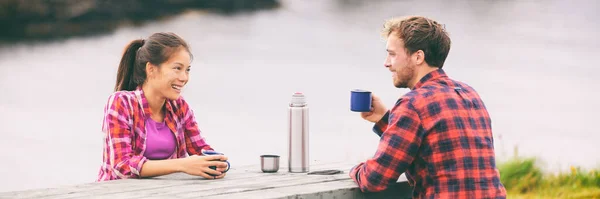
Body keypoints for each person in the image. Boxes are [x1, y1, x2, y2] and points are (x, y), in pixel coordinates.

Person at [349, 16, 507, 198]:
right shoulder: (469, 94)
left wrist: (354, 170)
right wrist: (385, 118)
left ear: (418, 57)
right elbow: (438, 147)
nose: (386, 63)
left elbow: (374, 179)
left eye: (392, 54)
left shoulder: (413, 104)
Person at [97, 32, 229, 181]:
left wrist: (216, 163)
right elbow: (122, 166)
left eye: (187, 70)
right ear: (151, 69)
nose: (184, 78)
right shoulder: (121, 103)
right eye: (177, 68)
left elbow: (200, 149)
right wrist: (182, 165)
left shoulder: (179, 106)